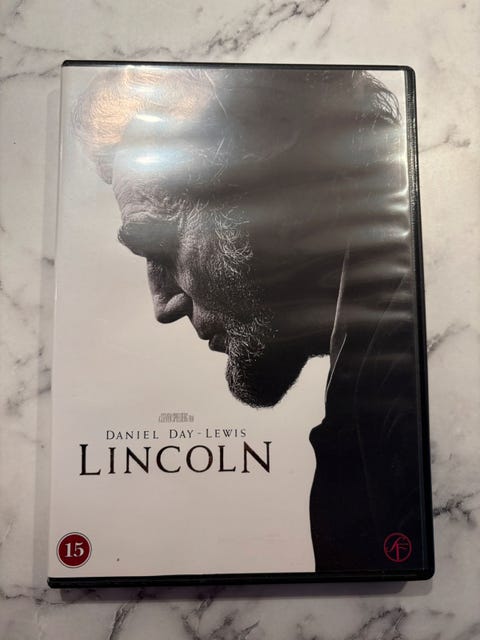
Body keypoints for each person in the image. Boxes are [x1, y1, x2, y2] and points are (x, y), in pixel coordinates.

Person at [72, 66, 425, 572]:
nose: (163, 304)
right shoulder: (384, 376)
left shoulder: (394, 412)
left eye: (161, 246)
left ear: (277, 198)